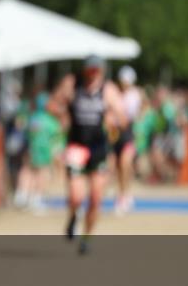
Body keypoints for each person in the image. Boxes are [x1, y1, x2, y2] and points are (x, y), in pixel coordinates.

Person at [49, 56, 126, 255]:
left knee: (95, 197)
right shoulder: (72, 84)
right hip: (76, 146)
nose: (93, 75)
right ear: (85, 70)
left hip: (98, 149)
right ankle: (73, 216)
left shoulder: (108, 90)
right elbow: (51, 105)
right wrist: (62, 114)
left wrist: (113, 119)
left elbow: (124, 118)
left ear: (101, 71)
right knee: (76, 197)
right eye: (90, 71)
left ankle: (87, 238)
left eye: (97, 71)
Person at [112, 65, 142, 214]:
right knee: (117, 167)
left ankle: (124, 195)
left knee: (125, 164)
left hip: (127, 133)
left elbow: (131, 115)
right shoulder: (115, 93)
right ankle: (122, 193)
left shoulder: (134, 95)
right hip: (115, 133)